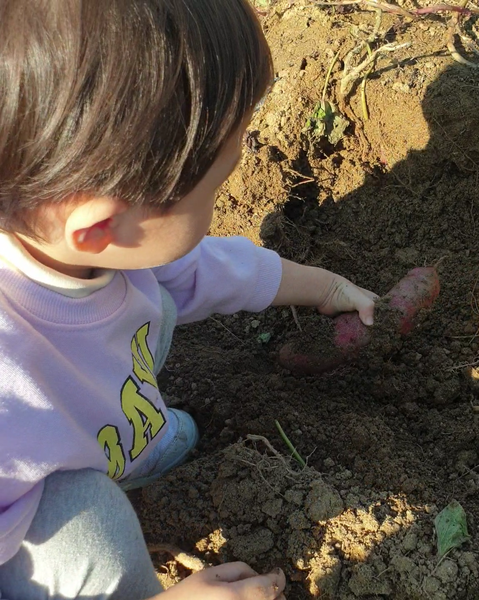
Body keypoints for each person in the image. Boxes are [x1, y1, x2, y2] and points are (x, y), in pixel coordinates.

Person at [0, 1, 377, 599]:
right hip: (26, 531)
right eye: (215, 186)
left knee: (162, 290)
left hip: (100, 417)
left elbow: (202, 268)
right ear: (100, 227)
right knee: (88, 530)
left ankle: (138, 441)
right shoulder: (7, 406)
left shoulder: (98, 237)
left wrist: (323, 286)